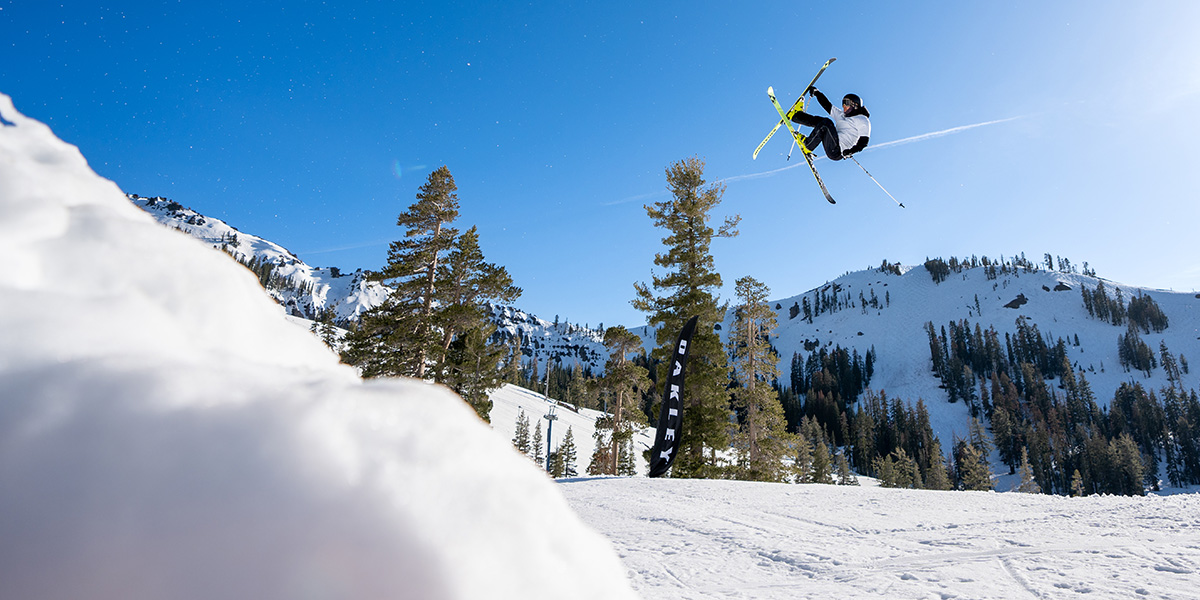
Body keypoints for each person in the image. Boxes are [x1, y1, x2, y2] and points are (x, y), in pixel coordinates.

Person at [789, 89, 870, 161]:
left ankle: (808, 145)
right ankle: (796, 116)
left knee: (826, 123)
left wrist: (851, 151)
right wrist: (817, 93)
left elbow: (863, 142)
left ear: (855, 105)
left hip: (838, 151)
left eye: (847, 103)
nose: (844, 106)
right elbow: (828, 106)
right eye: (843, 104)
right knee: (822, 122)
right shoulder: (842, 115)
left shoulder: (862, 119)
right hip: (833, 142)